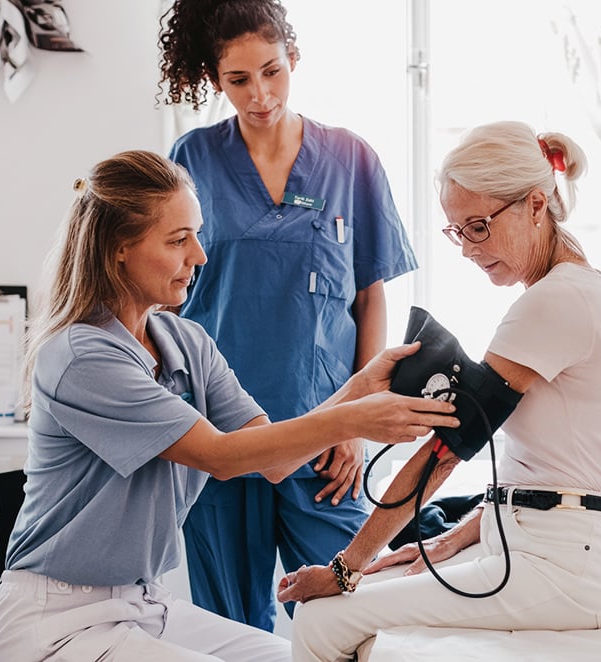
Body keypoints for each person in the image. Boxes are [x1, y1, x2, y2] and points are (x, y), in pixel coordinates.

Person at [0, 150, 456, 661]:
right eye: (178, 240)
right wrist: (354, 419)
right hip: (55, 621)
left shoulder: (186, 341)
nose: (200, 256)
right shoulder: (81, 357)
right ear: (119, 249)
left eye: (197, 234)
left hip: (142, 603)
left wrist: (360, 387)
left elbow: (273, 462)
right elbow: (222, 456)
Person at [276, 121, 601, 661]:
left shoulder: (554, 302)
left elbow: (446, 452)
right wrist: (460, 536)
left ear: (536, 205)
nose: (469, 249)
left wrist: (346, 567)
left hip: (572, 566)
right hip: (560, 553)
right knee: (369, 590)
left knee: (322, 618)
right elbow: (554, 468)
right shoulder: (572, 293)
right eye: (457, 231)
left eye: (479, 226)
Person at [157, 0, 418, 632]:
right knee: (233, 628)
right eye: (238, 80)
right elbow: (166, 292)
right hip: (220, 434)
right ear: (214, 79)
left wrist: (353, 425)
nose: (259, 95)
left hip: (326, 437)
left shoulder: (352, 158)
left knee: (347, 619)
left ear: (293, 59)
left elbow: (369, 296)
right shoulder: (191, 156)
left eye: (271, 72)